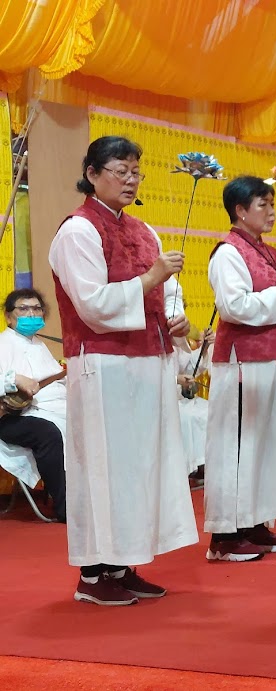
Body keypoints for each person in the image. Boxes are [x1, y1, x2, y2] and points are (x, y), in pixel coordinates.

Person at [48, 135, 198, 606]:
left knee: (138, 467)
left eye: (136, 171)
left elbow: (167, 296)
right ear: (92, 174)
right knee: (105, 468)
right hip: (103, 364)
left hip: (147, 363)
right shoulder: (76, 231)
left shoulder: (142, 229)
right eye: (120, 170)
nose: (130, 179)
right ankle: (93, 575)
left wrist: (178, 319)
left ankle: (123, 563)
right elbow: (92, 305)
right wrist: (151, 278)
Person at [205, 175, 276, 561]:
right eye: (263, 205)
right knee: (239, 444)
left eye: (272, 204)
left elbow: (272, 304)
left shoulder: (274, 254)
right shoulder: (228, 253)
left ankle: (255, 522)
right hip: (245, 361)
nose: (271, 212)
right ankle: (225, 537)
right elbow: (234, 307)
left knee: (269, 444)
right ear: (240, 210)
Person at [0, 289, 67, 522]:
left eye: (37, 308)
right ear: (9, 316)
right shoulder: (3, 343)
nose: (32, 313)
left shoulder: (39, 344)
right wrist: (14, 378)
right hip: (10, 417)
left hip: (45, 409)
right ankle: (65, 506)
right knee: (48, 431)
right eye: (24, 309)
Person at [176, 325, 214, 482]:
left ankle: (206, 466)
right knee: (188, 417)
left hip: (183, 399)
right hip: (166, 400)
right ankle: (192, 468)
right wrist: (177, 379)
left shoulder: (176, 340)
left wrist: (204, 348)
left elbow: (190, 367)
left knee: (209, 410)